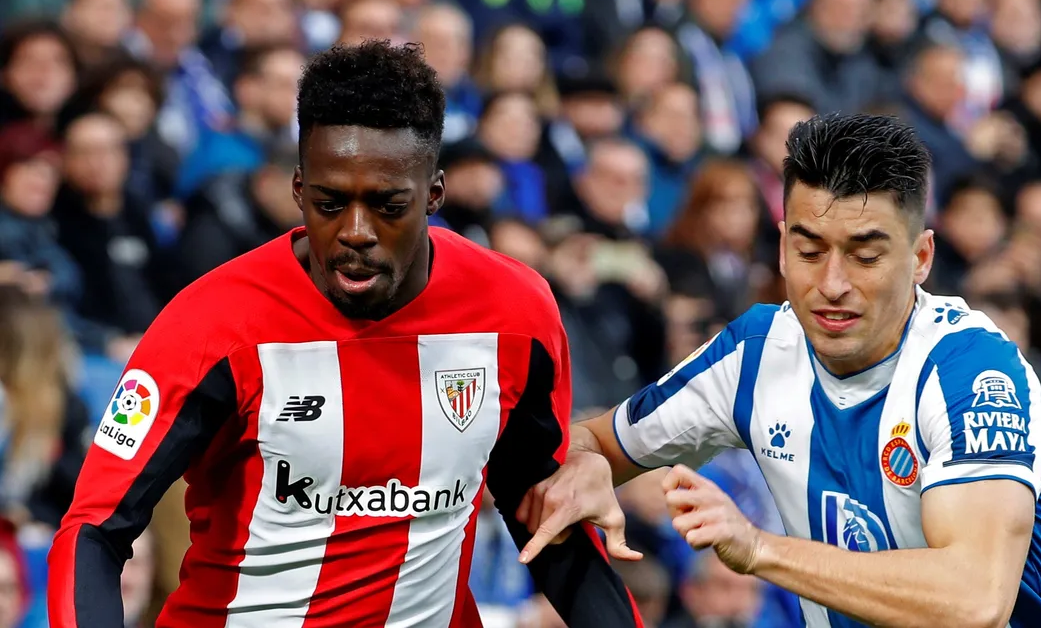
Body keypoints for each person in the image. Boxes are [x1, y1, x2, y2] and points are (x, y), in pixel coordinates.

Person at [47, 40, 642, 628]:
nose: (356, 231)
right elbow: (94, 530)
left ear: (434, 194)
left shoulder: (514, 312)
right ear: (299, 189)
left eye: (388, 205)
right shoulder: (211, 324)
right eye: (330, 204)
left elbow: (546, 511)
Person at [517, 113, 1041, 626]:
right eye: (810, 252)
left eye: (866, 256)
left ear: (921, 258)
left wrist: (758, 548)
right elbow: (595, 440)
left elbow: (975, 599)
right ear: (782, 248)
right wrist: (590, 464)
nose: (832, 284)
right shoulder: (756, 353)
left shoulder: (972, 371)